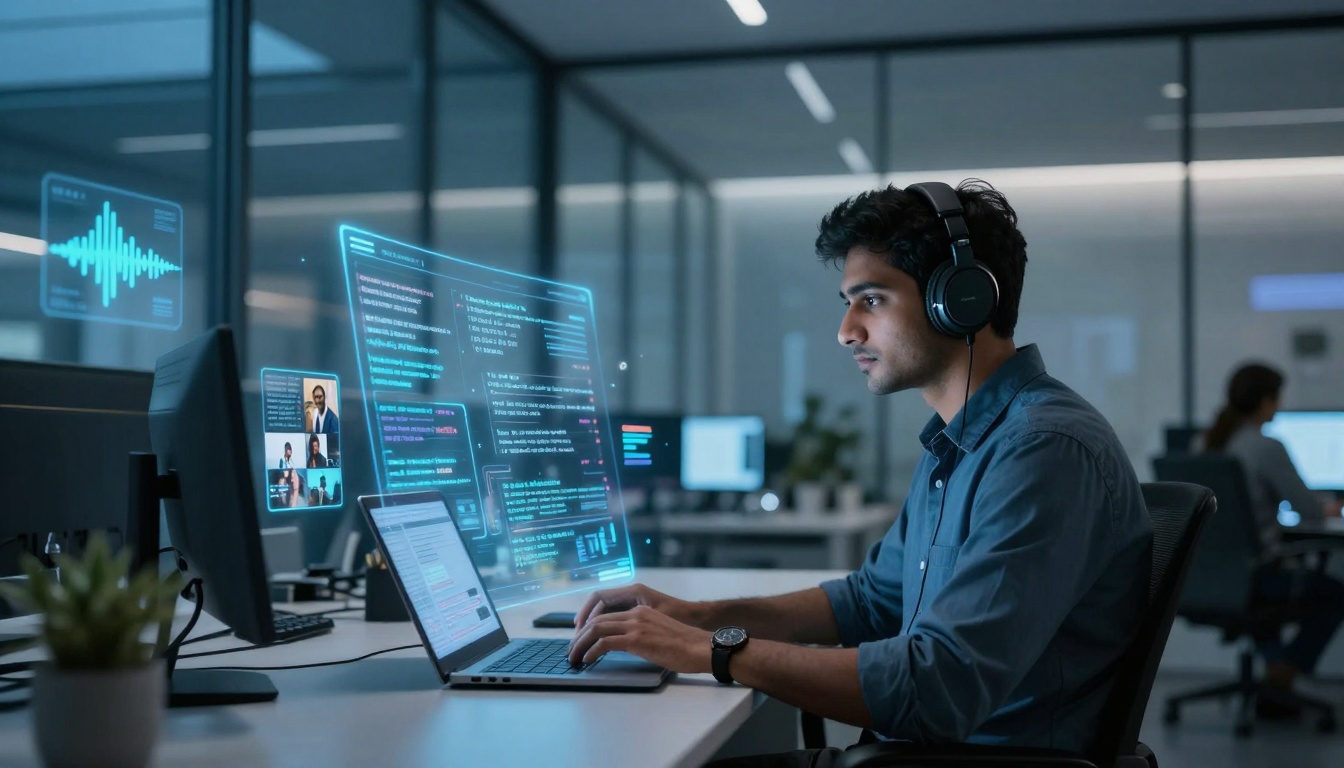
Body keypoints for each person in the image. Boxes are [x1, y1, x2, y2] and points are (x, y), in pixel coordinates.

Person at [567, 180, 1152, 764]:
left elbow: (939, 687)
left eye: (871, 299)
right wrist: (694, 618)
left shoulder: (1042, 450)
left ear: (962, 298)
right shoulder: (960, 444)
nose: (847, 330)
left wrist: (714, 649)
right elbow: (869, 603)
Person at [1204, 362, 1344, 718]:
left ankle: (1275, 675)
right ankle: (1282, 674)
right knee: (1335, 592)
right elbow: (1308, 508)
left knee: (1263, 601)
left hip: (1212, 580)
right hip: (1258, 577)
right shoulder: (1265, 446)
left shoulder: (1208, 443)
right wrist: (1330, 507)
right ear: (1266, 401)